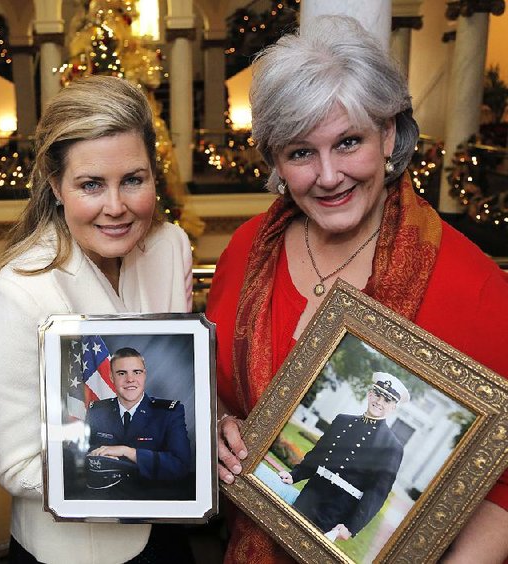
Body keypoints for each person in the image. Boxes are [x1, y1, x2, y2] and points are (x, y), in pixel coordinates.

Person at [206, 16, 508, 563]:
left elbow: (502, 487)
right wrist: (219, 426)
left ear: (389, 135)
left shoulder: (476, 288)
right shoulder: (248, 250)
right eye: (301, 152)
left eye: (348, 142)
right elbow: (220, 391)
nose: (328, 176)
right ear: (275, 159)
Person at [0, 75, 194, 563]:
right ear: (55, 185)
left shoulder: (172, 247)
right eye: (91, 184)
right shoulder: (16, 292)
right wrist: (142, 463)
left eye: (133, 180)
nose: (115, 207)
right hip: (77, 551)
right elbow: (16, 467)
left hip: (167, 528)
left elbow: (181, 381)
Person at [278, 373, 408, 541]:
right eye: (377, 394)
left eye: (387, 400)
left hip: (339, 509)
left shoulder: (391, 447)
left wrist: (352, 527)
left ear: (393, 408)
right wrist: (295, 475)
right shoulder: (343, 421)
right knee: (283, 536)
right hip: (311, 493)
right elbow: (318, 455)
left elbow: (376, 493)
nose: (379, 402)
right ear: (370, 394)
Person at [85, 347, 191, 498]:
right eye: (122, 373)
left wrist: (127, 452)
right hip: (104, 498)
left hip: (151, 499)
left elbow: (180, 466)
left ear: (144, 375)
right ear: (111, 377)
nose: (130, 379)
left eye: (137, 372)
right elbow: (81, 454)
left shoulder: (168, 413)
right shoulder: (97, 411)